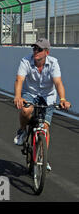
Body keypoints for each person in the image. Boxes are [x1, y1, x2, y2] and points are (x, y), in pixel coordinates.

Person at [13, 38, 71, 172]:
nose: (35, 51)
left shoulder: (53, 63)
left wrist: (62, 99)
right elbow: (19, 79)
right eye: (34, 48)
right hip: (30, 93)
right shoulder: (26, 61)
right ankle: (22, 131)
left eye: (39, 49)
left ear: (47, 52)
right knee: (26, 111)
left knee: (44, 127)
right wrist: (18, 96)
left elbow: (58, 82)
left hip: (48, 96)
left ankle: (43, 157)